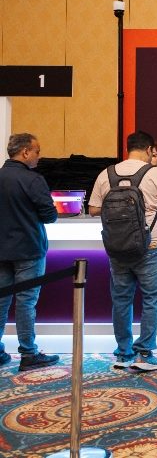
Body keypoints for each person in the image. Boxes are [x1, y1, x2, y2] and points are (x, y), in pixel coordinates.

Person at [89, 130, 157, 371]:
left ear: (128, 149)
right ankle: (145, 354)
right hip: (151, 245)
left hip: (117, 248)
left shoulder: (106, 174)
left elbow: (93, 210)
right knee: (152, 299)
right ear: (150, 150)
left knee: (121, 300)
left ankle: (123, 354)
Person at [0, 134, 60, 372]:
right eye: (37, 150)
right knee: (26, 303)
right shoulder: (32, 180)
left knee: (1, 302)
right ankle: (28, 353)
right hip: (28, 249)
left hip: (1, 249)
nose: (39, 155)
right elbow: (50, 215)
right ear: (25, 152)